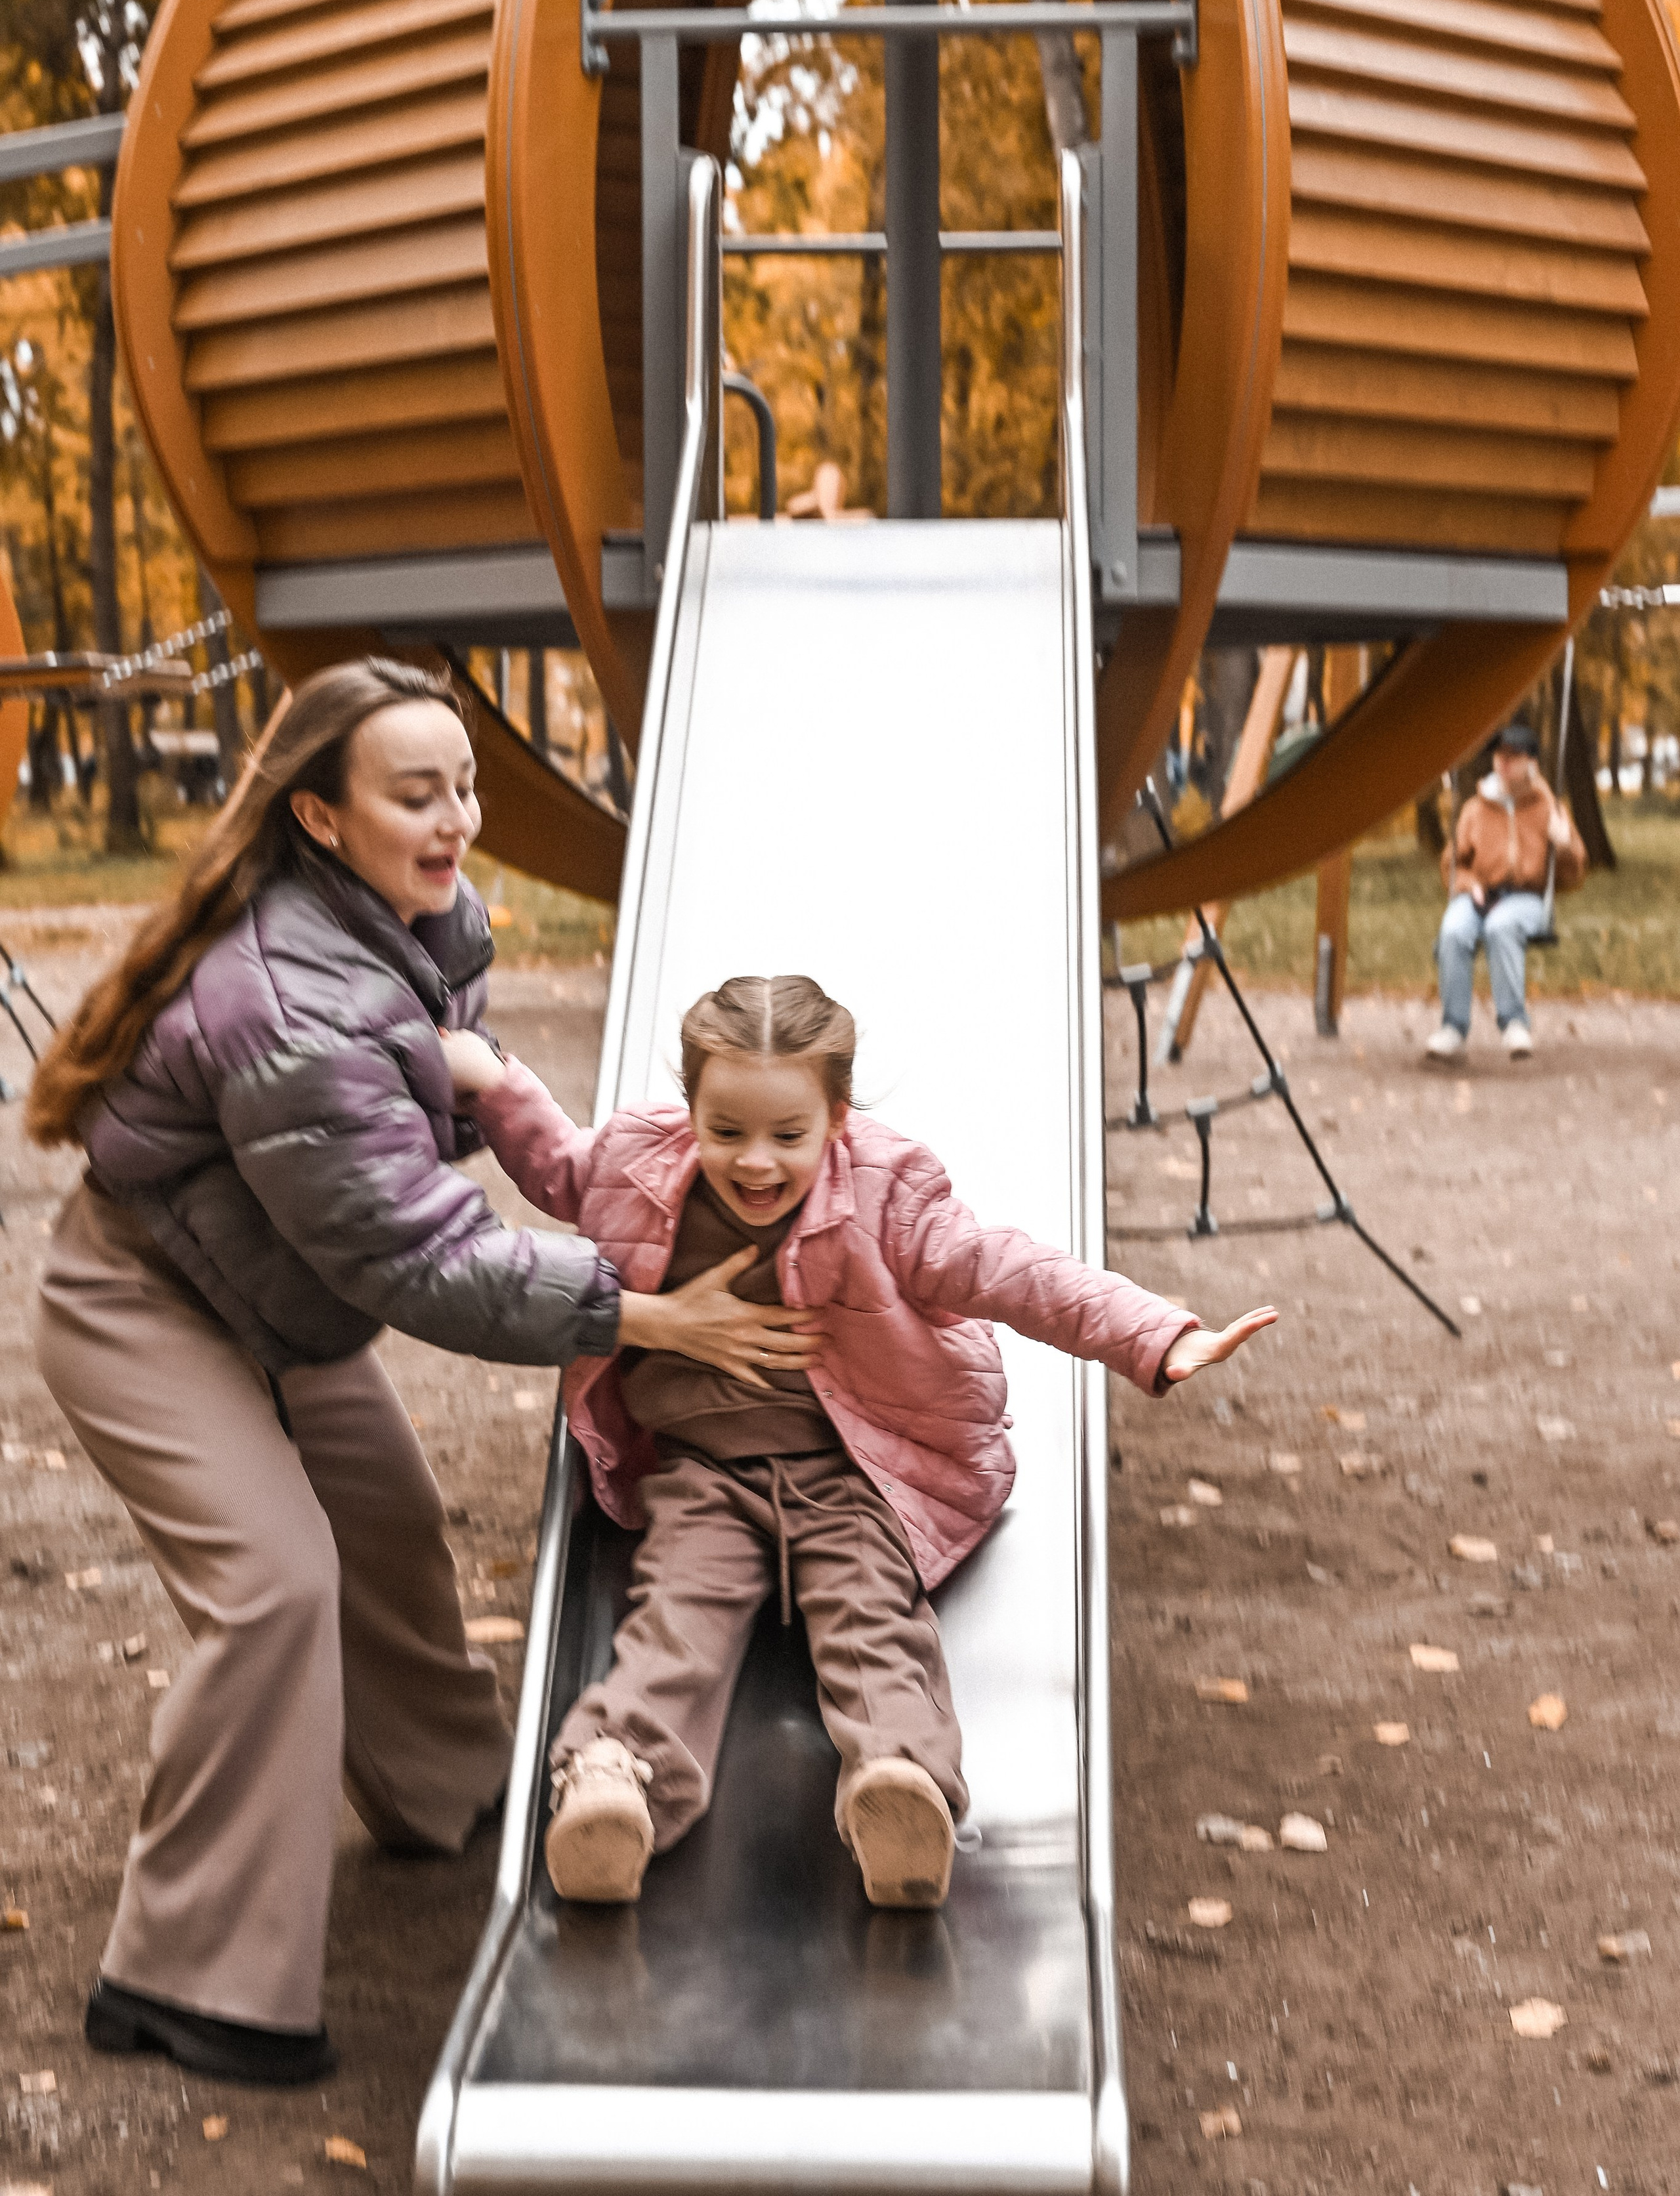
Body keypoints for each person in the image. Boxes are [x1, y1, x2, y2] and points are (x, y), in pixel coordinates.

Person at [26, 661, 821, 2087]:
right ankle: (185, 1978)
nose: (455, 816)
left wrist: (495, 1085)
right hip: (145, 1304)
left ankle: (447, 1795)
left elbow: (396, 1147)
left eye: (464, 784)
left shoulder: (417, 923)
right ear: (322, 819)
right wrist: (636, 1311)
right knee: (274, 1586)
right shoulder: (291, 1001)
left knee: (386, 1532)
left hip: (278, 1296)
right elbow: (420, 1256)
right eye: (416, 793)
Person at [440, 973, 1276, 1914]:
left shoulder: (887, 1196)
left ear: (837, 1115)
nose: (755, 1162)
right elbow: (558, 1163)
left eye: (788, 1136)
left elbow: (1010, 1269)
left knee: (872, 1618)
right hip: (703, 1473)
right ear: (691, 1111)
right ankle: (615, 1782)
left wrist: (1155, 1333)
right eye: (727, 1132)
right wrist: (492, 1076)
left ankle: (898, 1786)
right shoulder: (639, 1162)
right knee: (677, 1614)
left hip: (857, 1470)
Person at [1425, 720, 1586, 1063]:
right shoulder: (1475, 809)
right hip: (1480, 894)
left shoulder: (1549, 807)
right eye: (1499, 755)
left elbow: (1574, 877)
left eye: (1513, 756)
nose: (1503, 762)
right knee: (1454, 930)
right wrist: (1469, 886)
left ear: (1532, 763)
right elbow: (1451, 866)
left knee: (1501, 927)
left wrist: (1565, 845)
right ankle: (1453, 1029)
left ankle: (1514, 1024)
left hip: (1527, 898)